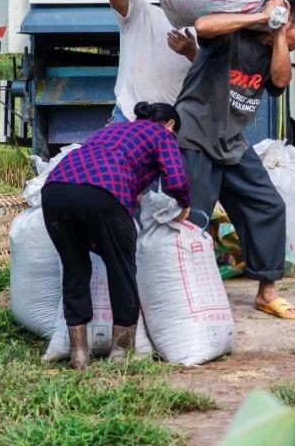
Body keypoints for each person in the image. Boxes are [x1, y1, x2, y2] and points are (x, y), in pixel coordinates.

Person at [175, 0, 295, 320]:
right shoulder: (233, 36)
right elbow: (202, 26)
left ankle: (267, 292)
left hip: (232, 143)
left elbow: (280, 81)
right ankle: (186, 295)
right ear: (289, 20)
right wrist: (260, 17)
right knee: (193, 218)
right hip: (194, 137)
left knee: (269, 205)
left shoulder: (275, 53)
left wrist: (279, 33)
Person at [41, 102, 191, 369]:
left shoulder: (110, 130)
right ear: (170, 124)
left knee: (75, 268)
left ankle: (78, 353)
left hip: (55, 190)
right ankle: (121, 350)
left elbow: (103, 163)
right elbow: (176, 179)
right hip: (104, 193)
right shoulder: (162, 134)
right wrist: (184, 204)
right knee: (121, 267)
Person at [107, 0, 197, 123]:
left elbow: (215, 73)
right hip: (130, 118)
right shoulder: (141, 11)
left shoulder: (204, 26)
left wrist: (192, 53)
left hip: (174, 123)